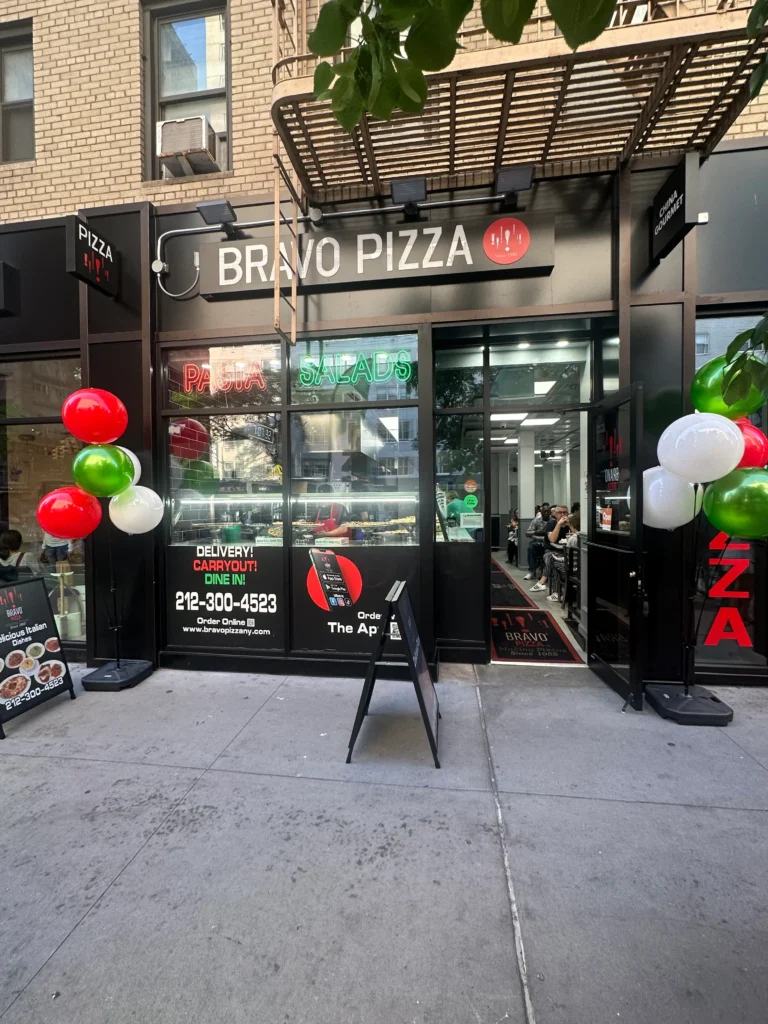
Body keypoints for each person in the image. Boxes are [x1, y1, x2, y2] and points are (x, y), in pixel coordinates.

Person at [530, 505, 571, 597]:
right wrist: (559, 524)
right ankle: (556, 593)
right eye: (560, 512)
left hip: (566, 552)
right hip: (551, 550)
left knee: (553, 562)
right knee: (551, 558)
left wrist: (570, 525)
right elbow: (552, 539)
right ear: (555, 514)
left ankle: (543, 583)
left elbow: (576, 536)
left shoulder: (570, 523)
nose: (563, 515)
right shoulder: (551, 524)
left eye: (565, 512)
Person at [524, 502, 550, 580]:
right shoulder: (536, 521)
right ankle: (531, 571)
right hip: (537, 543)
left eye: (547, 511)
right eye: (544, 511)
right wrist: (535, 532)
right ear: (541, 512)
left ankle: (548, 573)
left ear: (550, 513)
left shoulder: (553, 521)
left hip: (548, 543)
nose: (546, 513)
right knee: (531, 548)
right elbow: (527, 533)